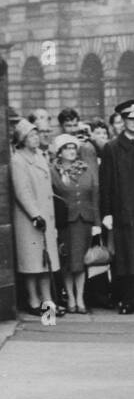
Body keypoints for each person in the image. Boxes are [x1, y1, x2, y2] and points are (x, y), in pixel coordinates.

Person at [11, 118, 63, 316]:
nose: (36, 138)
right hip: (30, 220)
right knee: (32, 264)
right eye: (31, 135)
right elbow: (22, 192)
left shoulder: (40, 156)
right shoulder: (18, 160)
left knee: (45, 263)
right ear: (22, 139)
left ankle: (48, 302)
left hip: (45, 217)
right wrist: (35, 215)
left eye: (36, 134)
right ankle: (34, 301)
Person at [99, 99, 134, 314]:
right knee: (124, 258)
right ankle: (126, 300)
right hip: (122, 210)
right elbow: (105, 182)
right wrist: (106, 212)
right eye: (130, 119)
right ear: (123, 121)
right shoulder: (112, 148)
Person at [50, 133, 100, 314]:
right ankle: (70, 297)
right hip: (65, 223)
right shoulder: (53, 171)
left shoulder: (86, 169)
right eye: (67, 148)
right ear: (60, 152)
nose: (71, 152)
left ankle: (80, 298)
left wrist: (97, 223)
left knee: (81, 262)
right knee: (67, 262)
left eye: (73, 148)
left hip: (84, 221)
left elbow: (95, 195)